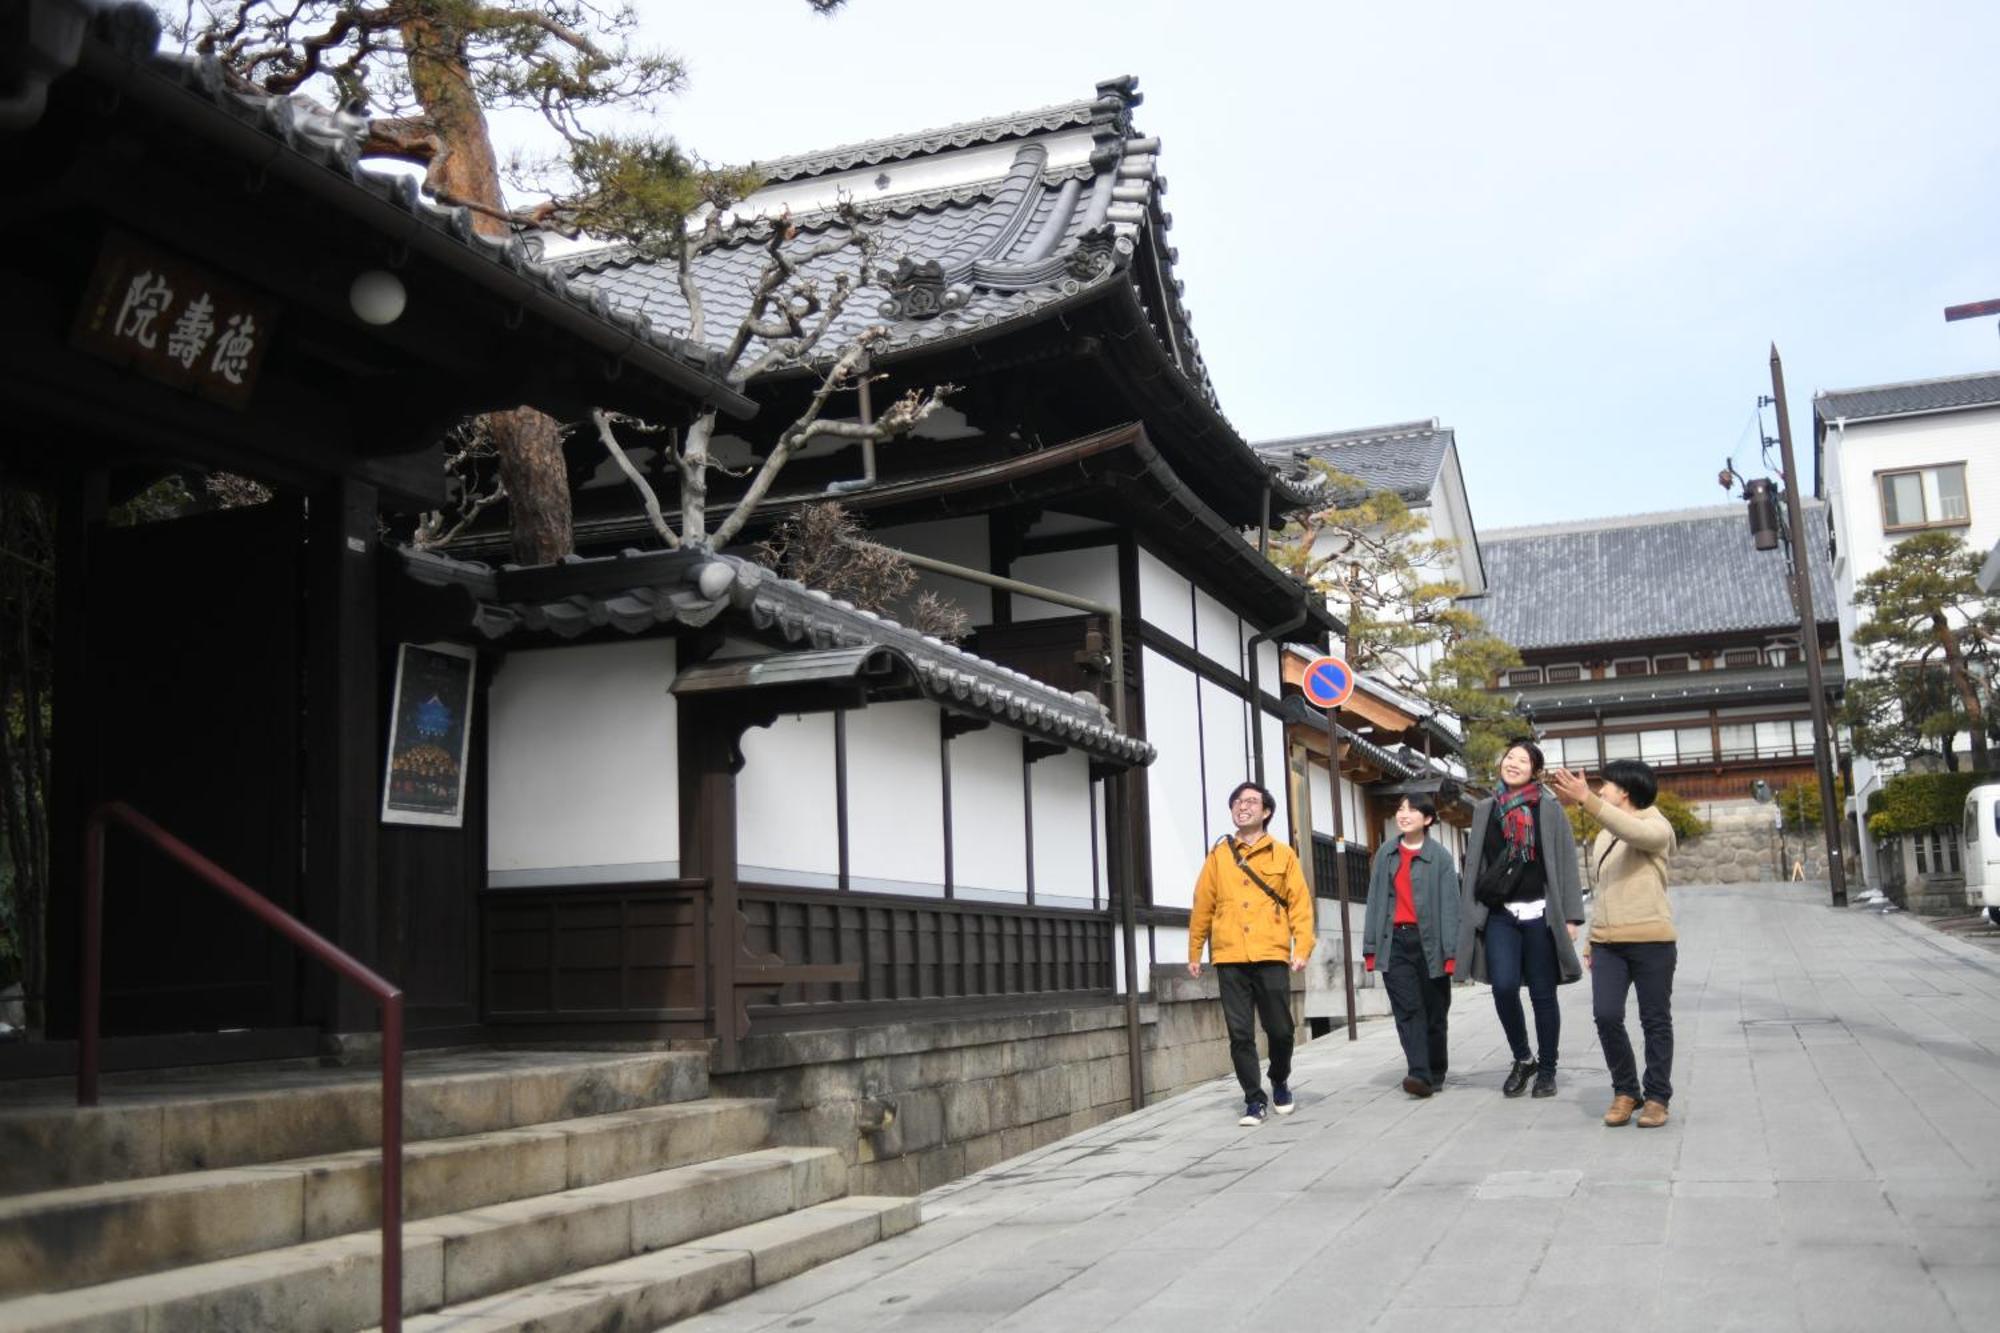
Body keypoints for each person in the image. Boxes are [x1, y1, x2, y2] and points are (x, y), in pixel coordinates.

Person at [1548, 759, 1679, 1129]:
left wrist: (1586, 799)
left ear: (1625, 790)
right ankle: (1626, 1089)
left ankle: (1657, 1097)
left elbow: (1637, 833)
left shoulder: (1657, 825)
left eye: (1606, 784)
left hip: (1652, 940)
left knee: (1655, 1020)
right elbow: (1605, 889)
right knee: (1606, 1015)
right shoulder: (1606, 834)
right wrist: (1592, 939)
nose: (1601, 789)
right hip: (1608, 942)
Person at [1457, 739, 1587, 1098]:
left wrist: (1572, 917)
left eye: (1522, 760)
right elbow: (1476, 864)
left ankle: (1547, 1069)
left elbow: (1564, 860)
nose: (1513, 764)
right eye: (1509, 758)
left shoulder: (1548, 807)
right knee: (1502, 987)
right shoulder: (1486, 808)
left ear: (1534, 770)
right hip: (1501, 914)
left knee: (1543, 995)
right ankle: (1522, 1057)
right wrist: (1471, 911)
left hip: (1541, 915)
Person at [1189, 780, 1315, 1127]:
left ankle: (1279, 1078)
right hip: (1229, 955)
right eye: (1237, 802)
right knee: (1240, 1033)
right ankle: (1253, 1099)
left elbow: (1300, 906)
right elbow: (1203, 904)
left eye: (1250, 801)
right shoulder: (1218, 857)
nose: (1242, 806)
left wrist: (1301, 947)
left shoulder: (1282, 854)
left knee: (1281, 1030)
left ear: (1266, 811)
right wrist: (1195, 950)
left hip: (1270, 952)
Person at [1362, 793, 1461, 1098]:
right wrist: (1371, 948)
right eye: (1401, 809)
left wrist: (1450, 954)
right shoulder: (1386, 854)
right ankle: (1418, 1074)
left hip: (1429, 943)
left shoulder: (1441, 858)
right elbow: (1375, 900)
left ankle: (1436, 1068)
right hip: (1395, 942)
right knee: (1407, 1010)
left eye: (1412, 810)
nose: (1403, 814)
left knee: (1435, 1012)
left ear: (1427, 819)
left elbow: (1451, 908)